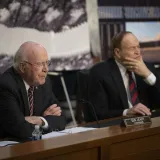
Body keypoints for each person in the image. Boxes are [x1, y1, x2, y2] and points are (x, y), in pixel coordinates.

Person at [88, 31, 160, 122]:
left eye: (138, 47)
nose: (138, 52)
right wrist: (127, 112)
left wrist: (148, 75)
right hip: (117, 128)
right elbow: (97, 113)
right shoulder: (99, 72)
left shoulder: (147, 68)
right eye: (132, 48)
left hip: (148, 124)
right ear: (118, 52)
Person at [0, 41, 66, 139]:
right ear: (23, 67)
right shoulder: (6, 85)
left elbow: (61, 120)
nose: (46, 69)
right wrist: (46, 121)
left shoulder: (44, 82)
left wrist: (40, 120)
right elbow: (22, 130)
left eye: (47, 63)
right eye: (40, 64)